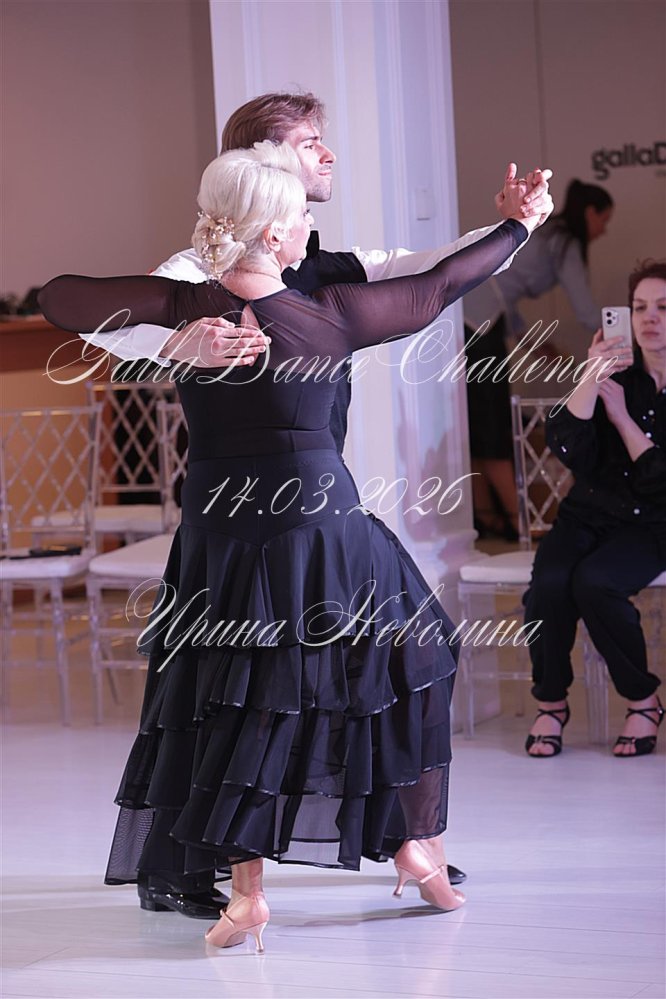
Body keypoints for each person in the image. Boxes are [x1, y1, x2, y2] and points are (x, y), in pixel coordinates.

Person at [39, 140, 548, 950]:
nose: (311, 228)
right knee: (401, 660)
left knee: (242, 696)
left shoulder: (186, 306)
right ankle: (408, 842)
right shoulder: (330, 313)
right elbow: (441, 285)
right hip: (316, 527)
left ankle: (257, 891)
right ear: (274, 235)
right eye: (301, 217)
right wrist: (520, 227)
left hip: (222, 533)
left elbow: (58, 296)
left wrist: (177, 342)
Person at [523, 260, 666, 758]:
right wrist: (590, 375)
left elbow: (660, 482)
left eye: (663, 307)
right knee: (548, 585)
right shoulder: (614, 373)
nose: (650, 318)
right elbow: (567, 447)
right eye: (639, 308)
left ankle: (643, 700)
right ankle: (551, 702)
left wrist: (623, 419)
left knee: (596, 582)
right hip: (586, 513)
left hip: (652, 524)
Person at [462, 179, 613, 540]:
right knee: (491, 422)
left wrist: (534, 344)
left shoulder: (550, 238)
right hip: (478, 322)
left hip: (472, 316)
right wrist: (624, 332)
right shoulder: (565, 242)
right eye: (604, 219)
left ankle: (487, 518)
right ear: (589, 212)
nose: (604, 230)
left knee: (478, 422)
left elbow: (505, 294)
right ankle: (521, 522)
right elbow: (586, 311)